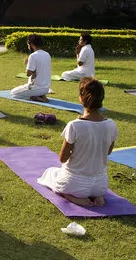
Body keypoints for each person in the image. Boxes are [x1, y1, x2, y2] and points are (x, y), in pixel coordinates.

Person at [36, 78, 118, 207]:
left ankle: (70, 196)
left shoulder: (75, 125)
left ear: (81, 98)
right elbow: (108, 152)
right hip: (101, 186)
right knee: (84, 181)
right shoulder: (111, 124)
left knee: (50, 173)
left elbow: (63, 159)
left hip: (74, 184)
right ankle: (98, 197)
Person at [9, 34, 51, 101]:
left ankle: (37, 98)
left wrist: (27, 64)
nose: (28, 46)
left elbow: (28, 74)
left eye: (28, 45)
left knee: (13, 93)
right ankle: (41, 96)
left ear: (31, 44)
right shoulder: (47, 54)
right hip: (46, 89)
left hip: (35, 88)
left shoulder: (33, 56)